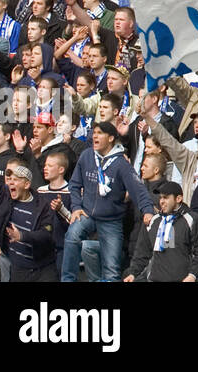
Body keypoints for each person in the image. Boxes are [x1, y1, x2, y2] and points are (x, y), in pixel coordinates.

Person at [62, 120, 154, 282]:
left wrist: (147, 210)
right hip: (87, 213)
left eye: (99, 133)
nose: (94, 136)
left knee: (111, 270)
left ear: (111, 138)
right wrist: (76, 207)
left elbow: (138, 190)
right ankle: (67, 279)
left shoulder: (121, 163)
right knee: (72, 235)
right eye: (94, 133)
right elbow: (74, 185)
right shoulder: (87, 155)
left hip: (111, 220)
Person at [125, 181, 198, 282]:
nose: (161, 201)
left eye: (166, 197)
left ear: (178, 199)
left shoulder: (193, 220)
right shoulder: (154, 221)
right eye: (160, 198)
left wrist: (192, 275)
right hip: (154, 279)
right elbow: (142, 252)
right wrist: (133, 273)